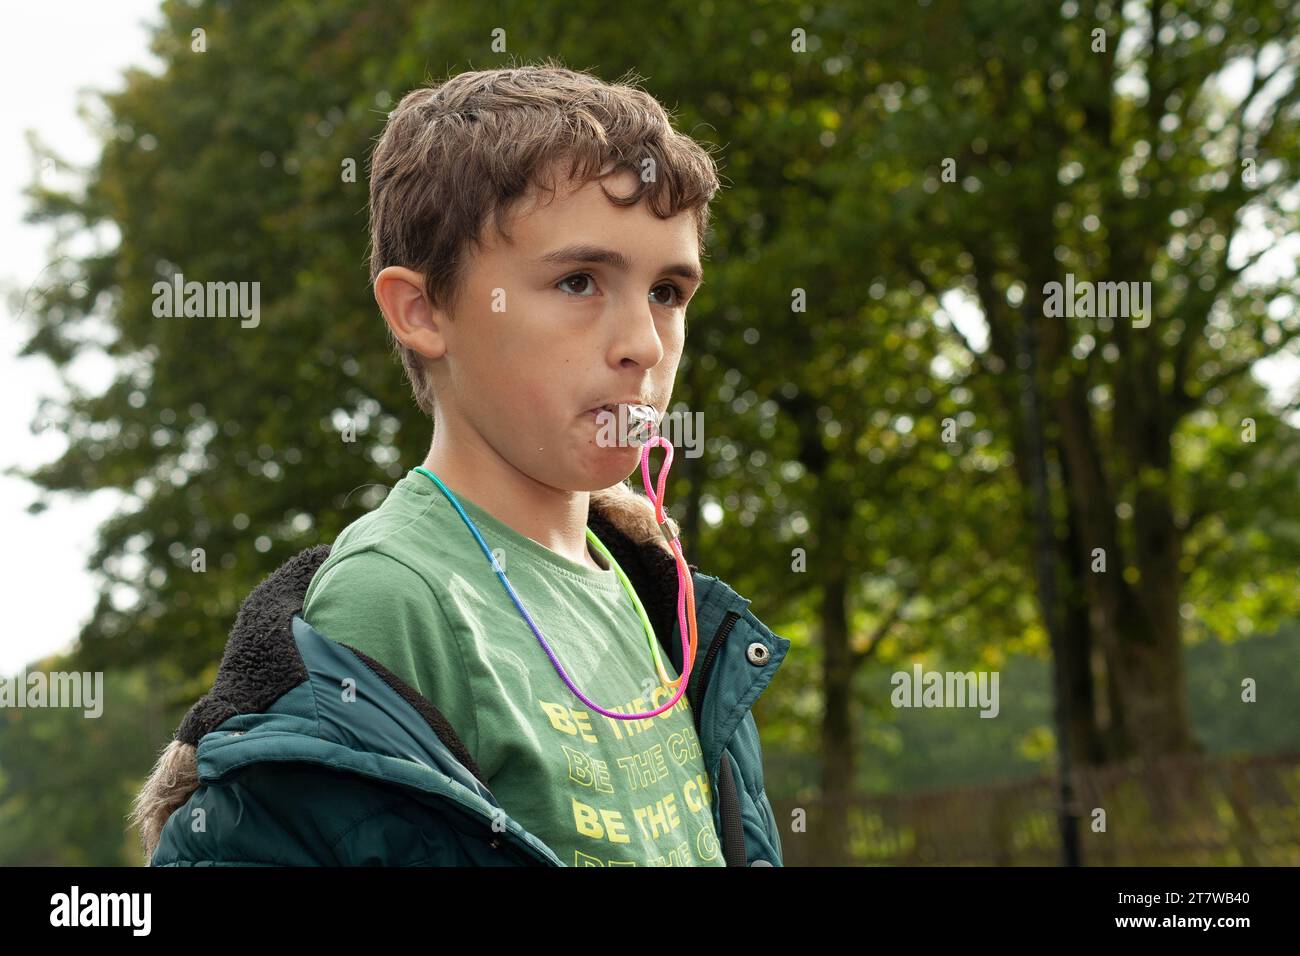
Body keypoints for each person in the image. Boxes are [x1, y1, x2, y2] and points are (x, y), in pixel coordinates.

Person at [132, 62, 790, 867]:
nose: (644, 345)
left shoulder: (656, 585)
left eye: (668, 292)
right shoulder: (393, 597)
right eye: (579, 281)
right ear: (422, 310)